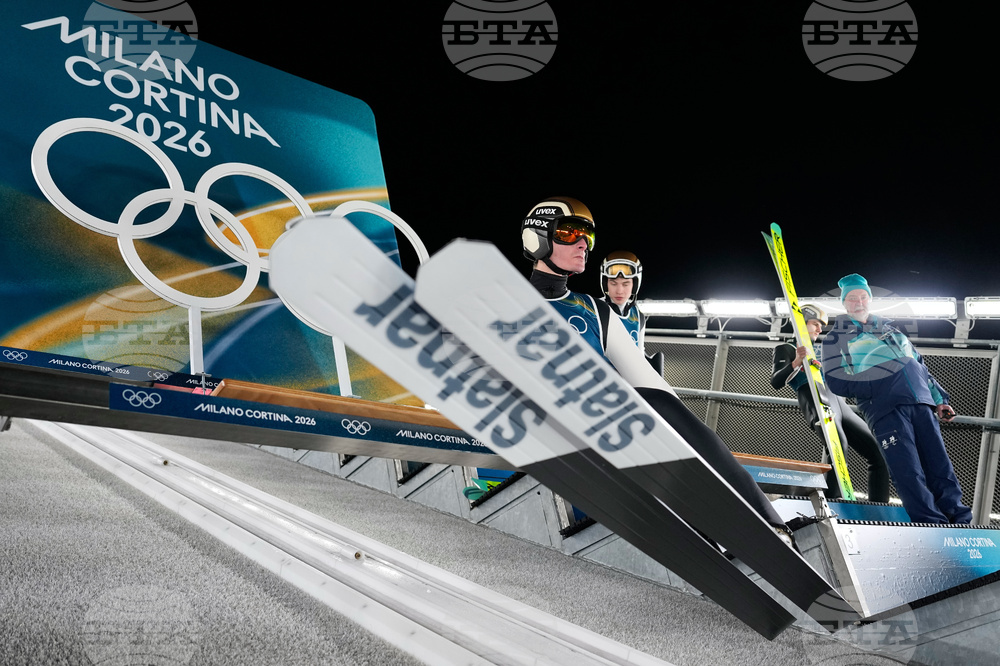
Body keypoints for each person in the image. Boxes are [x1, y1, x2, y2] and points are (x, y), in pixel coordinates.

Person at [520, 196, 795, 544]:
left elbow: (647, 381)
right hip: (552, 424)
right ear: (537, 238)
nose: (582, 244)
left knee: (663, 407)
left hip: (606, 420)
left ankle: (762, 521)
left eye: (587, 236)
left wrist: (674, 420)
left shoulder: (593, 309)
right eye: (570, 232)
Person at [821, 273, 972, 525]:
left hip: (920, 402)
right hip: (885, 408)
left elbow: (921, 367)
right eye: (851, 298)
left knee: (940, 467)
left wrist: (940, 399)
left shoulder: (893, 332)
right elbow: (836, 381)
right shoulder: (836, 338)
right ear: (844, 303)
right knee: (908, 470)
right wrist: (879, 385)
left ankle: (958, 520)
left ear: (869, 299)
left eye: (862, 297)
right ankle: (931, 523)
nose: (858, 302)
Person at [770, 303, 890, 503]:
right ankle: (831, 503)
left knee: (878, 450)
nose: (819, 329)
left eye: (821, 325)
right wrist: (796, 362)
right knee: (837, 446)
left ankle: (880, 505)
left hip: (840, 403)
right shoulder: (787, 348)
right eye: (815, 324)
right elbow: (775, 382)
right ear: (801, 323)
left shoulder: (822, 350)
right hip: (815, 400)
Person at [599, 251, 665, 373]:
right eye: (613, 283)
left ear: (634, 285)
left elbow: (639, 356)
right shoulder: (594, 308)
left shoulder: (638, 316)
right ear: (605, 284)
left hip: (628, 381)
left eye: (626, 284)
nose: (619, 291)